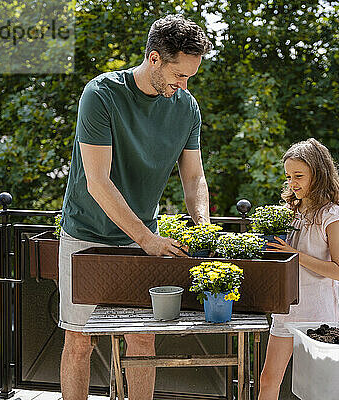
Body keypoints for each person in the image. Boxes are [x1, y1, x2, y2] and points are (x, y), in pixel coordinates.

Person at [57, 15, 212, 400]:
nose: (184, 86)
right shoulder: (101, 94)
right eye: (180, 75)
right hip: (85, 235)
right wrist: (147, 239)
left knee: (143, 340)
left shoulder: (186, 108)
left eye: (190, 78)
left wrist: (204, 226)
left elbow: (193, 179)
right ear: (155, 58)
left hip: (141, 238)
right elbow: (98, 182)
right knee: (79, 341)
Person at [258, 138, 339, 400]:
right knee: (268, 380)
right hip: (287, 309)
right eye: (288, 177)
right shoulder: (292, 210)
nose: (292, 183)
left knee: (317, 389)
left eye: (298, 176)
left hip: (318, 314)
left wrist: (295, 255)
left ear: (318, 175)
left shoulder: (331, 216)